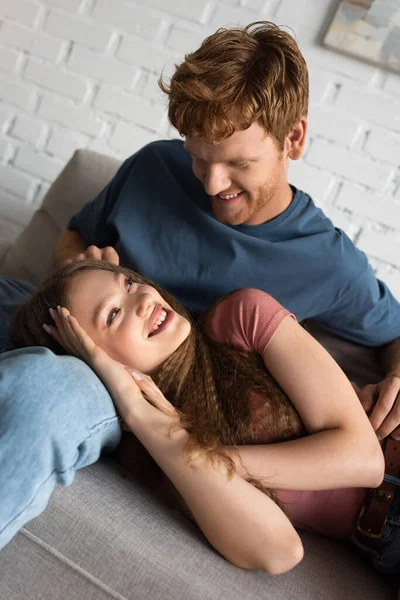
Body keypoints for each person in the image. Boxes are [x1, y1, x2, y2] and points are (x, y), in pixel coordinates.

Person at [1, 21, 400, 553]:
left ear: (294, 139)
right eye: (199, 158)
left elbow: (393, 334)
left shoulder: (326, 263)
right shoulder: (152, 169)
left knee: (47, 390)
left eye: (238, 163)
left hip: (139, 395)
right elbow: (74, 237)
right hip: (92, 342)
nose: (212, 185)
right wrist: (86, 276)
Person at [10, 259, 386, 575]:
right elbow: (279, 551)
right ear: (96, 363)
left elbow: (365, 461)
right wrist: (140, 411)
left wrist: (207, 454)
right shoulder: (147, 446)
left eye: (128, 282)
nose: (142, 298)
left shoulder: (240, 319)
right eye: (112, 314)